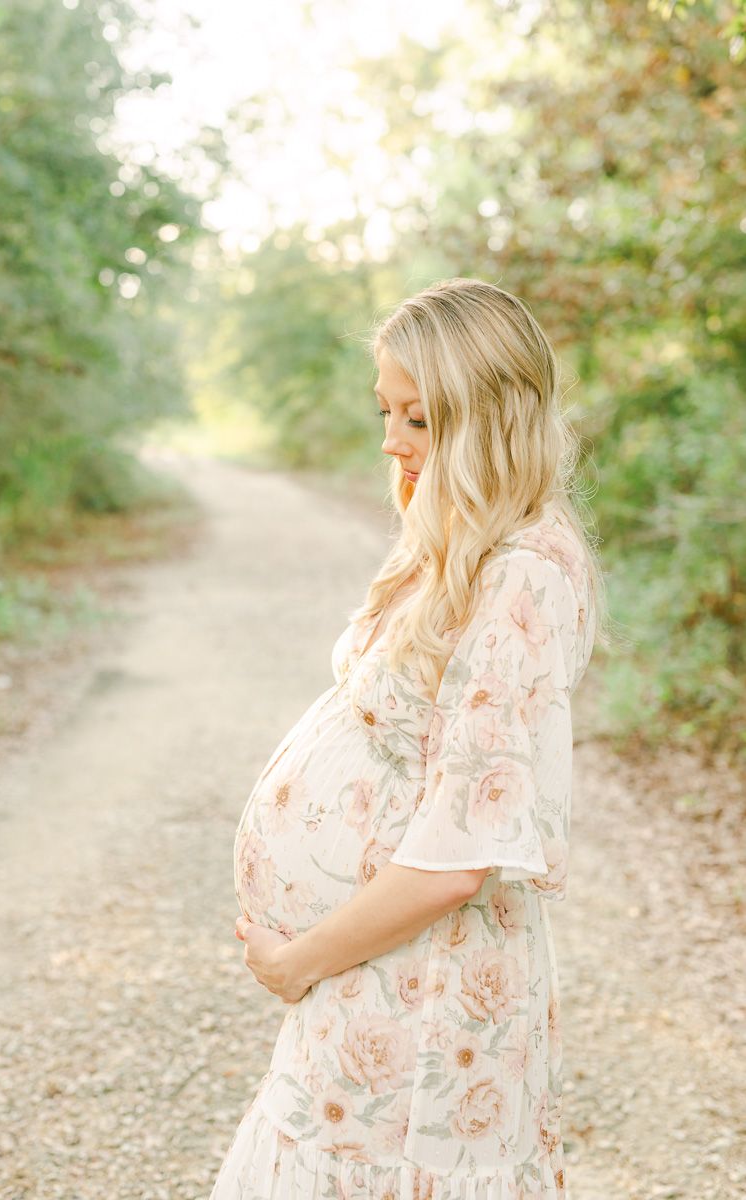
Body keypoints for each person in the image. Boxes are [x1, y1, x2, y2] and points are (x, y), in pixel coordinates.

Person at [208, 277, 607, 1200]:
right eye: (385, 410)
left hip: (429, 992)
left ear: (490, 418)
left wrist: (299, 959)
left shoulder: (524, 577)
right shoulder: (461, 539)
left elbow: (461, 855)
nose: (390, 440)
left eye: (418, 419)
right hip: (380, 978)